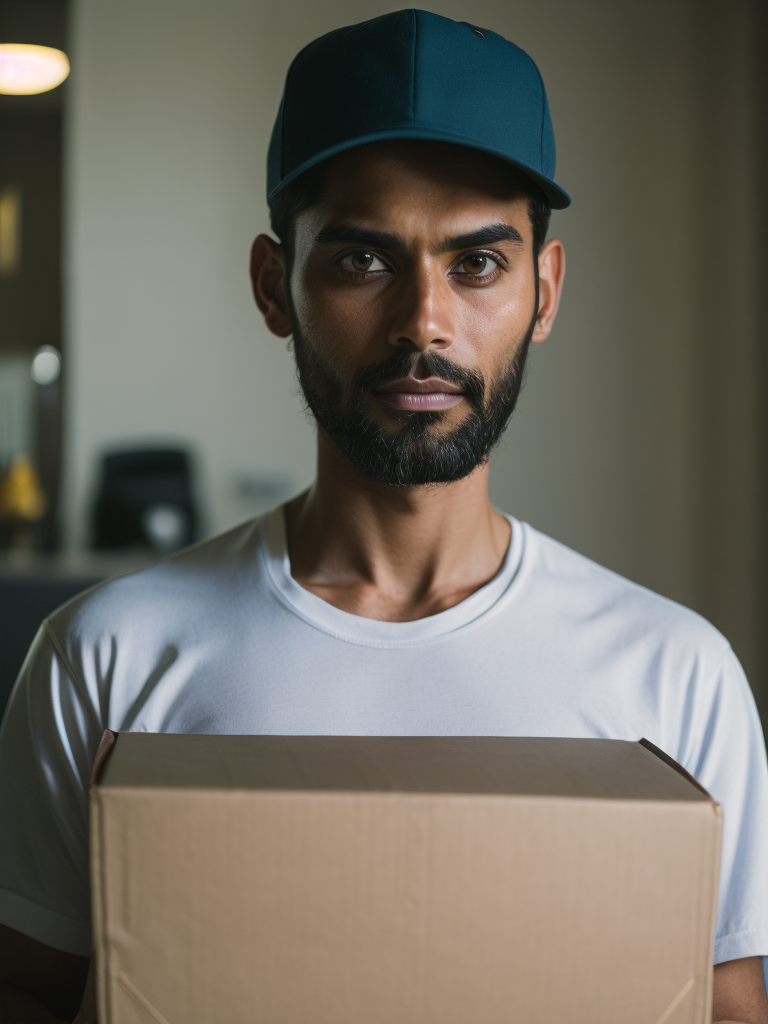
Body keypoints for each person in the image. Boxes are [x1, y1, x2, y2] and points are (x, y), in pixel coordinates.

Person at [1, 10, 767, 1022]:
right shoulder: (106, 653)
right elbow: (29, 988)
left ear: (545, 290)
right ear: (277, 287)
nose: (424, 321)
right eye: (363, 260)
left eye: (478, 263)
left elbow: (722, 1004)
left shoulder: (675, 677)